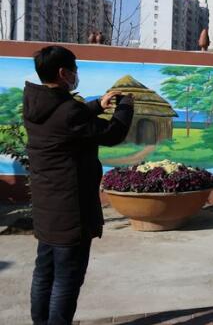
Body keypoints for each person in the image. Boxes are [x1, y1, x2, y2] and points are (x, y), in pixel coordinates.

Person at [23, 46, 134, 324]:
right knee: (67, 279)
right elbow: (111, 133)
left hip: (47, 210)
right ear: (63, 73)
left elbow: (65, 116)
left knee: (44, 273)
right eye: (74, 70)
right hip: (71, 212)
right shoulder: (69, 111)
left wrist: (98, 105)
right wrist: (125, 107)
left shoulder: (36, 104)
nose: (76, 75)